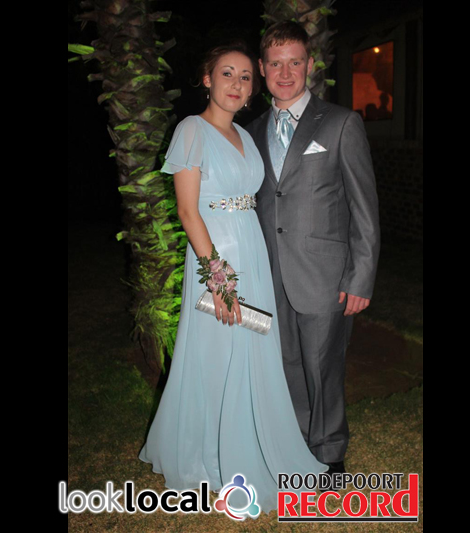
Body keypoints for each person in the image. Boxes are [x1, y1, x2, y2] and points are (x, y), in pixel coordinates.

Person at [139, 42, 327, 516]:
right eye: (227, 73)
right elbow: (188, 212)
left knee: (252, 350)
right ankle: (207, 458)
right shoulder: (191, 130)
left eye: (245, 77)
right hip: (216, 261)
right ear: (207, 79)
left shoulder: (245, 133)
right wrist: (219, 280)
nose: (237, 84)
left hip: (253, 255)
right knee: (216, 356)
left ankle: (253, 443)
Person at [246, 22, 381, 476]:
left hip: (325, 275)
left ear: (310, 64)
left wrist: (361, 277)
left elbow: (364, 207)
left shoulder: (341, 123)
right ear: (262, 68)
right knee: (286, 364)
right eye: (276, 64)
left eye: (295, 62)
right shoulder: (251, 132)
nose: (285, 73)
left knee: (323, 367)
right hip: (268, 274)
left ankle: (329, 453)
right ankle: (297, 447)